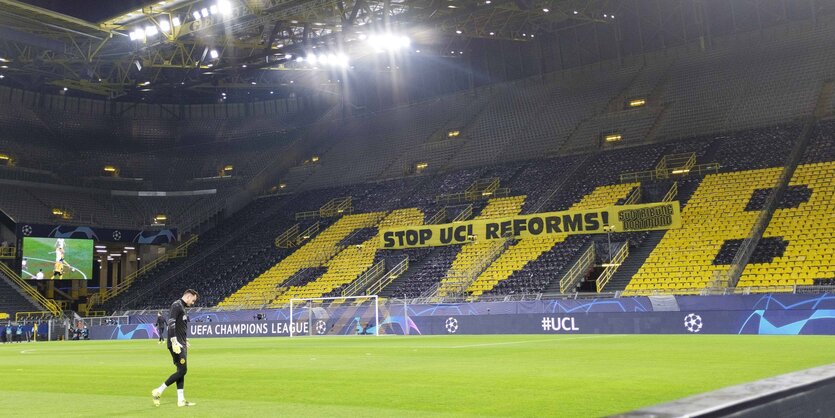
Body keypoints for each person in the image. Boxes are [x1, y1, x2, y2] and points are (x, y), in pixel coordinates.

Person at [152, 289, 198, 407]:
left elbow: (179, 326)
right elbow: (171, 323)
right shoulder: (176, 305)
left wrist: (184, 339)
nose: (193, 303)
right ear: (188, 296)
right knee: (183, 370)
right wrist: (174, 341)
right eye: (193, 300)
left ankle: (181, 400)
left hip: (180, 342)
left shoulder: (182, 307)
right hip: (176, 344)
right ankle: (158, 391)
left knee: (180, 371)